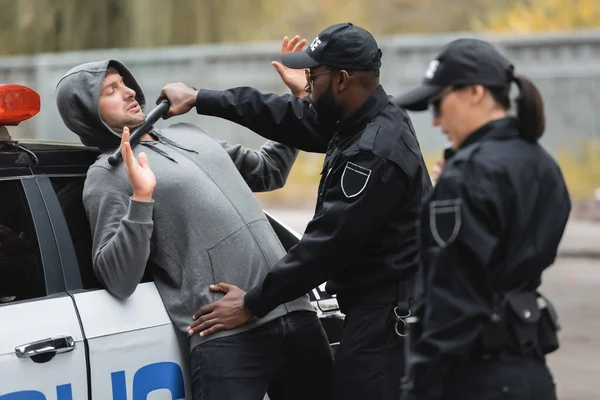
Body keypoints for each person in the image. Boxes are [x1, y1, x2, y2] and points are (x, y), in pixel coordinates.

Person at [158, 23, 433, 400]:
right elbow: (285, 116)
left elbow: (325, 247)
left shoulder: (372, 152)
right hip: (379, 312)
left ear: (341, 80)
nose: (307, 83)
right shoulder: (365, 116)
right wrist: (199, 98)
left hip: (387, 320)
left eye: (313, 75)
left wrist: (253, 302)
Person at [54, 59, 333, 400]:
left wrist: (301, 99)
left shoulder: (189, 134)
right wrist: (142, 198)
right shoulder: (107, 175)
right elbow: (117, 277)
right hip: (228, 334)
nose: (128, 90)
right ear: (85, 112)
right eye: (110, 91)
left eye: (124, 83)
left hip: (294, 310)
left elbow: (269, 171)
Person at [393, 38, 571, 400]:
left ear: (475, 92)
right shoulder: (541, 163)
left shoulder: (468, 174)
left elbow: (453, 302)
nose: (437, 120)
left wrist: (419, 387)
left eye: (438, 103)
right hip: (529, 372)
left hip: (471, 377)